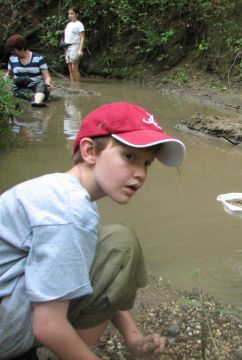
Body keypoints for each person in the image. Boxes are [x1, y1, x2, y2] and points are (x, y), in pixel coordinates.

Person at [0, 102, 187, 359]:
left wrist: (132, 338)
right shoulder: (70, 211)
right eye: (129, 156)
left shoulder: (63, 192)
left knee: (114, 243)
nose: (140, 173)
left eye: (146, 163)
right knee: (121, 243)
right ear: (90, 151)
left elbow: (96, 269)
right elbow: (47, 327)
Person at [4, 33, 52, 107]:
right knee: (25, 91)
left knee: (42, 85)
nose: (12, 52)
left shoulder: (38, 58)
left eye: (14, 50)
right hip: (20, 88)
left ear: (22, 48)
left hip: (37, 85)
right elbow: (9, 74)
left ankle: (37, 101)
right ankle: (36, 100)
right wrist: (3, 83)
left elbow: (46, 76)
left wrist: (48, 83)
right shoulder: (12, 58)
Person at [64, 6, 85, 82]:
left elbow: (82, 37)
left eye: (72, 13)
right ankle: (73, 86)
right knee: (70, 69)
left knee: (74, 68)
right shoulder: (69, 24)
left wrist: (80, 50)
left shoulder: (79, 24)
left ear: (77, 14)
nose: (70, 15)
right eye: (69, 14)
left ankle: (78, 86)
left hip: (75, 46)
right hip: (67, 47)